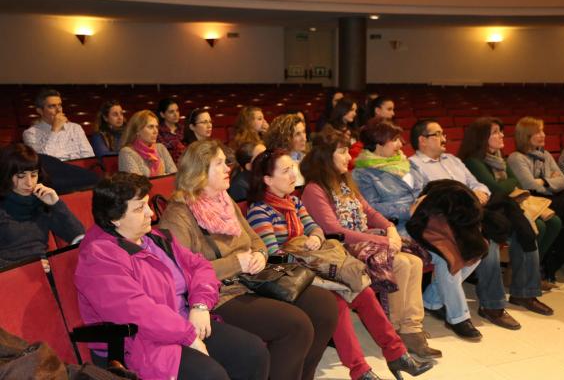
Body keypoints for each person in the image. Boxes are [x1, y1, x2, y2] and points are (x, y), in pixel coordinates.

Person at [246, 148, 435, 379]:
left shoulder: (293, 201)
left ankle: (397, 354)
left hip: (313, 266)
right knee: (338, 302)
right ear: (267, 179)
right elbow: (272, 256)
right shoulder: (259, 211)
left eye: (292, 169)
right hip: (290, 277)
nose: (292, 175)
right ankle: (360, 370)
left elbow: (314, 227)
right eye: (285, 171)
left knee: (362, 292)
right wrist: (304, 256)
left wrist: (315, 237)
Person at [158, 140, 338, 380]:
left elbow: (257, 241)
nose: (227, 168)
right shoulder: (179, 215)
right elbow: (181, 274)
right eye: (219, 164)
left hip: (251, 280)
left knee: (324, 306)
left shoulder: (224, 200)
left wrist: (259, 256)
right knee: (295, 326)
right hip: (219, 295)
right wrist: (237, 262)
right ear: (200, 172)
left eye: (226, 162)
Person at [75, 172, 269, 380]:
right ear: (115, 219)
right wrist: (188, 335)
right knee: (211, 376)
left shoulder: (154, 238)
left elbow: (200, 266)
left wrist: (200, 305)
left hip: (183, 321)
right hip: (142, 343)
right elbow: (137, 311)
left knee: (253, 352)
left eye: (148, 204)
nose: (151, 213)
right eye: (140, 208)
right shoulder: (98, 258)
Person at [300, 128, 441, 358]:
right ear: (326, 156)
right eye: (343, 152)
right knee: (403, 264)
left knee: (413, 261)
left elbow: (370, 212)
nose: (350, 157)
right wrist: (382, 239)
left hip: (365, 242)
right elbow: (334, 232)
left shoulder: (345, 182)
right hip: (340, 251)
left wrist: (390, 229)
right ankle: (394, 331)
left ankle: (411, 328)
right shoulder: (314, 189)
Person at [411, 119, 552, 337]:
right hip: (447, 222)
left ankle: (525, 293)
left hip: (475, 213)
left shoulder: (453, 161)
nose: (444, 138)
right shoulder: (414, 166)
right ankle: (486, 307)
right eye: (437, 134)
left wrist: (480, 193)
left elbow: (477, 183)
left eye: (443, 133)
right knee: (485, 244)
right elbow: (423, 200)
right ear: (422, 140)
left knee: (523, 230)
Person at [458, 117, 562, 287]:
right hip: (493, 209)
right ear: (482, 137)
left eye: (501, 131)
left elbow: (517, 184)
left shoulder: (499, 159)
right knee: (539, 227)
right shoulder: (473, 162)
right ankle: (519, 276)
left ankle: (529, 272)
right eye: (495, 132)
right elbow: (495, 189)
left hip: (510, 204)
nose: (501, 135)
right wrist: (507, 185)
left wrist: (506, 185)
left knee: (555, 222)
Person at [509, 117, 564, 290]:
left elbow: (562, 182)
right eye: (538, 132)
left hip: (556, 200)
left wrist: (543, 182)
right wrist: (549, 181)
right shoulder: (516, 157)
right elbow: (530, 185)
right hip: (533, 203)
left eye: (543, 131)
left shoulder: (546, 155)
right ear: (525, 135)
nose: (543, 135)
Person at [0, 144, 84, 268]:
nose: (29, 183)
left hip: (44, 271)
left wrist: (56, 204)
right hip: (9, 277)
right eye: (21, 176)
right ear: (7, 175)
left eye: (33, 175)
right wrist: (28, 266)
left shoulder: (41, 202)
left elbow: (79, 238)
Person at [352, 118, 424, 234]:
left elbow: (426, 188)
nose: (401, 144)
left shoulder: (407, 162)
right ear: (378, 142)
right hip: (398, 229)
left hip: (426, 221)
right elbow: (371, 209)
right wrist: (409, 210)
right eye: (395, 140)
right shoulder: (362, 174)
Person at [23, 89, 94, 161]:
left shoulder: (75, 128)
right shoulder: (30, 133)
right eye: (52, 106)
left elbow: (89, 156)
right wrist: (54, 130)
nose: (58, 110)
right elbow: (43, 160)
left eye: (59, 105)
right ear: (40, 111)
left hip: (77, 169)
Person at [118, 110, 177, 177]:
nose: (156, 131)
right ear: (138, 131)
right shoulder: (127, 152)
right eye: (151, 127)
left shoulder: (160, 148)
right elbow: (136, 184)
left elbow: (174, 176)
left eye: (156, 127)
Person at [263, 114, 307, 186]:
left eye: (304, 132)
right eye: (297, 134)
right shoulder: (277, 165)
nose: (304, 138)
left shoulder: (305, 158)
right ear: (285, 138)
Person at [157, 98, 186, 163]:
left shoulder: (183, 128)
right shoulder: (158, 131)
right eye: (171, 112)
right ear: (162, 114)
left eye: (177, 111)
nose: (176, 114)